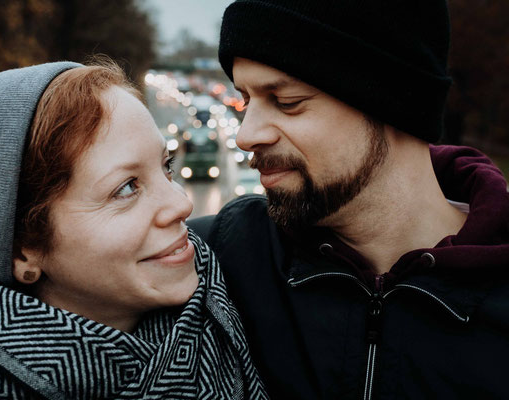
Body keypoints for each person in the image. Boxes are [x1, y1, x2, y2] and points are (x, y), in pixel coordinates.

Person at [189, 0, 509, 399]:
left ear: (392, 100)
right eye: (247, 101)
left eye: (287, 102)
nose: (245, 135)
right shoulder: (216, 258)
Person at [0, 61, 268, 399]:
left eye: (166, 166)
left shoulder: (242, 294)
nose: (182, 205)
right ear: (22, 249)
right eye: (126, 187)